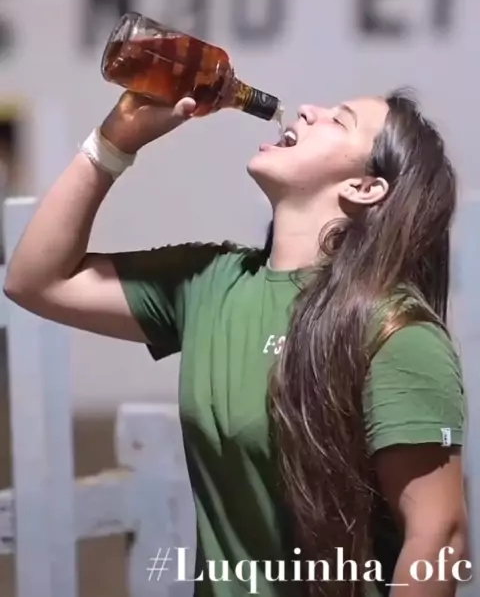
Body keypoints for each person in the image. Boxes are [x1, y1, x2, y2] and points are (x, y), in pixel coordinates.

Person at [4, 88, 468, 596]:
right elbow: (35, 281)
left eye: (340, 121)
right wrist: (113, 144)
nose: (308, 110)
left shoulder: (397, 332)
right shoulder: (210, 282)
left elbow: (439, 536)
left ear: (364, 187)